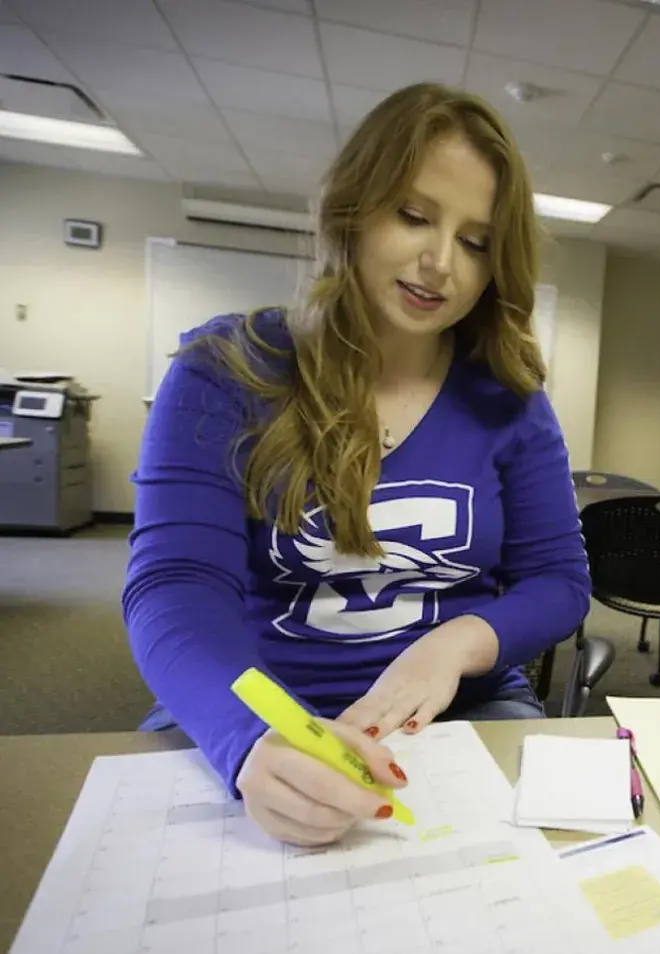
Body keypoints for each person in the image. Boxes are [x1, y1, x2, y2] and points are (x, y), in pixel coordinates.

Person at [123, 83, 590, 847]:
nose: (440, 263)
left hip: (458, 710)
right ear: (353, 208)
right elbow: (174, 587)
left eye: (476, 242)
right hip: (260, 709)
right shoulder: (227, 368)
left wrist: (456, 644)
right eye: (413, 216)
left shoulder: (510, 399)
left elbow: (559, 584)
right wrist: (248, 738)